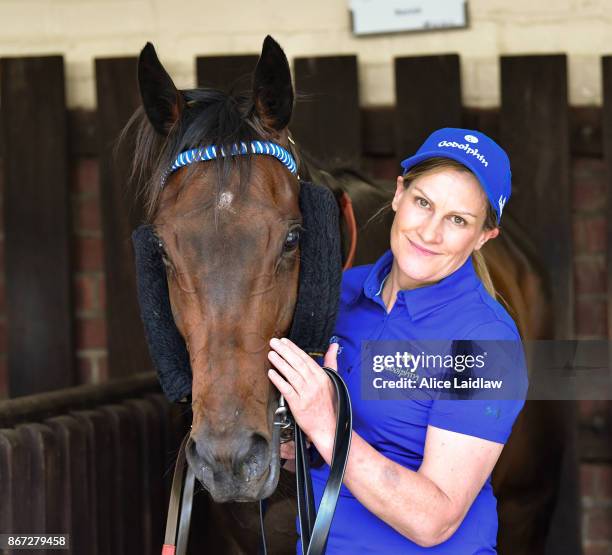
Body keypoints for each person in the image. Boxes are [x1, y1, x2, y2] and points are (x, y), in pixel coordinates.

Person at [267, 128, 528, 554]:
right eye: (423, 202)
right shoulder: (342, 296)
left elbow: (434, 521)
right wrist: (297, 438)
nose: (429, 232)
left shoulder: (485, 342)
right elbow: (322, 449)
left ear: (483, 237)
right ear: (398, 194)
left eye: (457, 220)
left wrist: (327, 426)